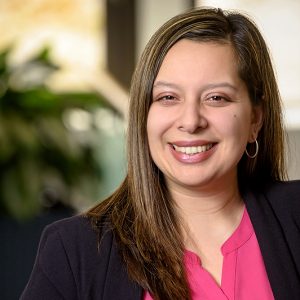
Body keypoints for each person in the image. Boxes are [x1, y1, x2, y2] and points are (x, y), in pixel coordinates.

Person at [20, 7, 300, 300]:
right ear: (143, 114)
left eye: (216, 98)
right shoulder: (74, 249)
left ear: (256, 118)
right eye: (168, 98)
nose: (191, 121)